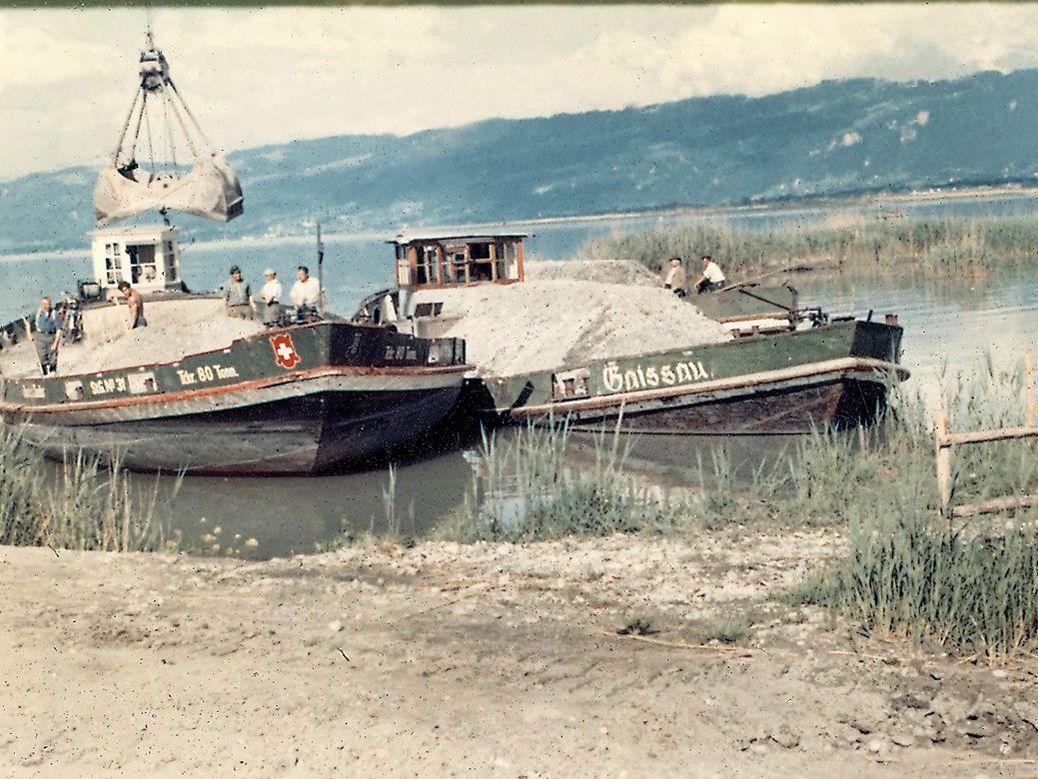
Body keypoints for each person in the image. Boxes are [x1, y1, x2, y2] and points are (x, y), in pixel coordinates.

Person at [27, 296, 61, 375]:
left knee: (53, 358)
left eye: (48, 304)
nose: (46, 306)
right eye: (44, 304)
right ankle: (45, 374)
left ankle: (53, 373)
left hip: (51, 337)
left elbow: (59, 329)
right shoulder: (37, 313)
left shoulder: (54, 314)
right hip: (40, 337)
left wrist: (55, 343)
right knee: (42, 357)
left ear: (50, 304)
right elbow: (28, 323)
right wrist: (29, 334)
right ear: (41, 304)